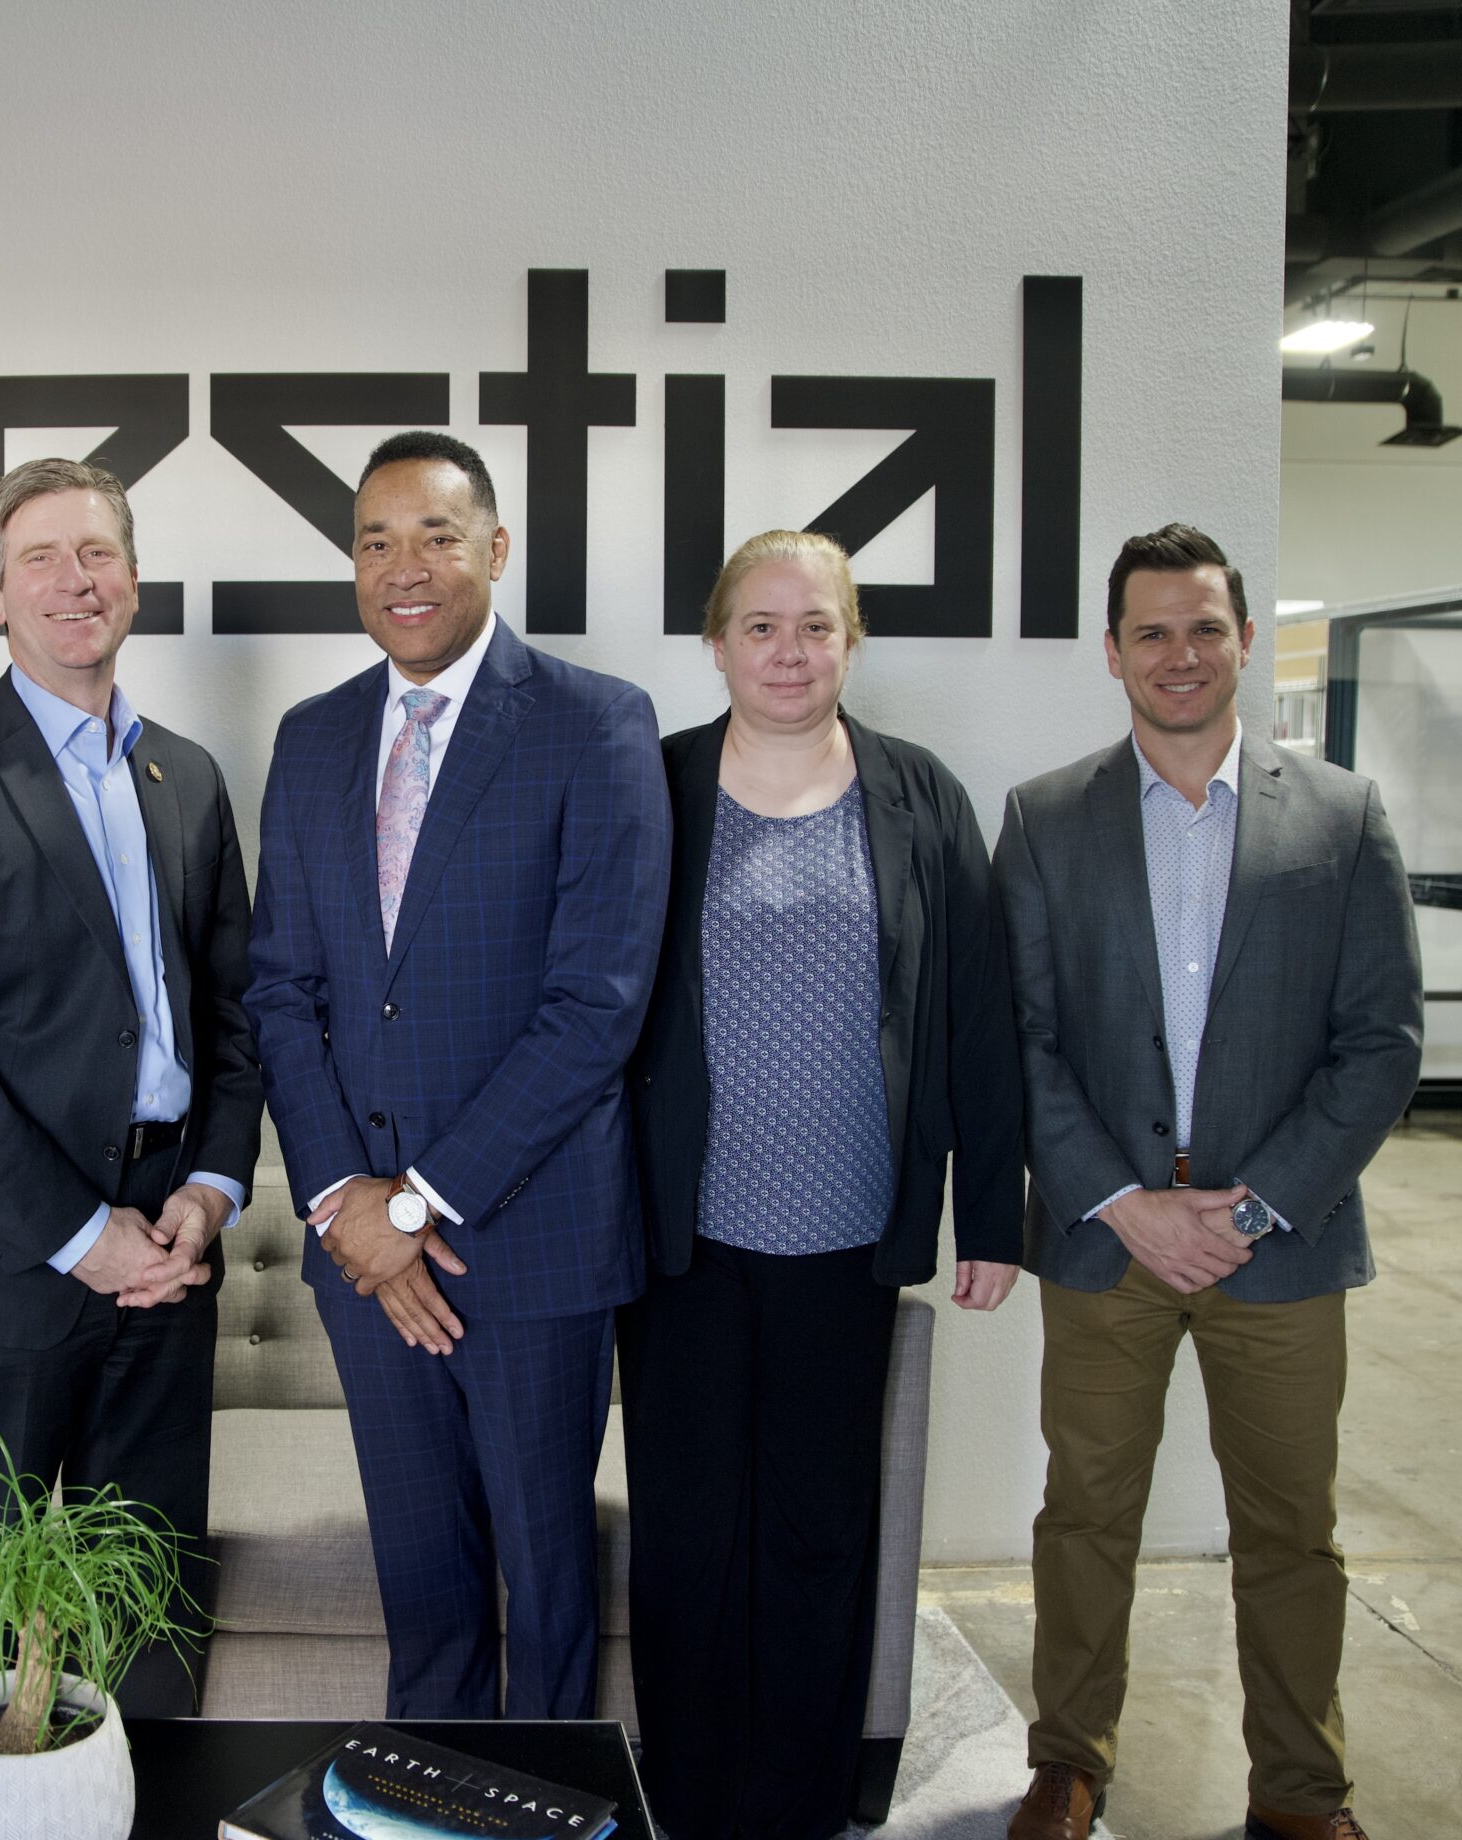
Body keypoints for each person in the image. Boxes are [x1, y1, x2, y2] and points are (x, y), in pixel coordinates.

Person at [997, 525, 1421, 1840]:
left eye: (1204, 627)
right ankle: (1069, 1760)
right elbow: (1021, 1039)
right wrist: (1123, 1202)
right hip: (1105, 1237)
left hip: (1276, 1246)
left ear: (1243, 637)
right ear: (1110, 651)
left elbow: (1383, 1040)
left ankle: (1300, 1791)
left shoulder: (1343, 819)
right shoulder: (1046, 817)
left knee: (1292, 1531)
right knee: (1084, 1515)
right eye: (1152, 631)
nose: (1179, 655)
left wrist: (1247, 1207)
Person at [244, 430, 670, 1720]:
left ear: (495, 548)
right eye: (375, 542)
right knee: (422, 1577)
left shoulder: (595, 723)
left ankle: (544, 1800)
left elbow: (593, 1009)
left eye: (434, 534)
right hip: (360, 1251)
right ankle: (428, 1801)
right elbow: (282, 988)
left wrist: (413, 1205)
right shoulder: (314, 738)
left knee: (546, 1580)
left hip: (527, 1245)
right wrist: (341, 1207)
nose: (404, 567)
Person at [619, 529, 1024, 1839]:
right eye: (762, 626)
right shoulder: (657, 785)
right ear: (716, 640)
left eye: (817, 626)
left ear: (851, 640)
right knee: (687, 1539)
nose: (790, 653)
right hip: (680, 1242)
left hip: (848, 1241)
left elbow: (975, 1017)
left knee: (817, 1537)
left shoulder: (918, 797)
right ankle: (686, 1797)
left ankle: (795, 1807)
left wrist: (994, 1216)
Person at [0, 456, 263, 1717]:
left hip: (170, 1245)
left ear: (131, 580)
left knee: (146, 1597)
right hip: (5, 1257)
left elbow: (233, 1014)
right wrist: (87, 1239)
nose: (73, 581)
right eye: (40, 558)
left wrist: (204, 1187)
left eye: (96, 553)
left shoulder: (184, 775)